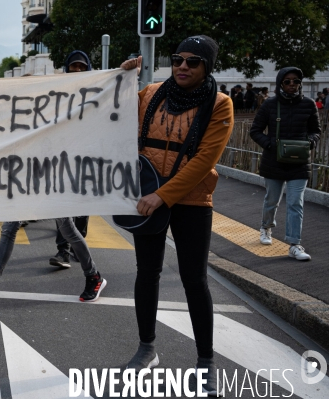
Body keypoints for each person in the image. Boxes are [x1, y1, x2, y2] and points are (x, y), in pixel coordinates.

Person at [120, 35, 233, 396]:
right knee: (147, 272)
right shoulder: (151, 93)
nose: (183, 66)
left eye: (194, 61)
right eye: (178, 58)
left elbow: (205, 160)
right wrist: (118, 81)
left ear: (207, 67)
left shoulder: (221, 104)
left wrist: (163, 196)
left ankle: (205, 362)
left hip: (191, 200)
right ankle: (146, 349)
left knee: (194, 279)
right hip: (145, 192)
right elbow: (111, 116)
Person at [250, 67, 320, 261]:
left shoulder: (309, 104)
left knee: (295, 203)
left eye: (296, 81)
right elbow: (255, 130)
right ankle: (266, 228)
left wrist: (310, 142)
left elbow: (316, 131)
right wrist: (270, 144)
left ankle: (294, 244)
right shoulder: (270, 105)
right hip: (274, 161)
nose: (292, 85)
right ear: (280, 83)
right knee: (272, 200)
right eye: (287, 81)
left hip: (299, 162)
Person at [0, 218, 106, 303]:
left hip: (50, 180)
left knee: (68, 230)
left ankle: (93, 276)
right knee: (9, 229)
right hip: (29, 183)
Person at [49, 50, 92, 268]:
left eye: (81, 67)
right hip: (62, 160)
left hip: (88, 160)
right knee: (63, 206)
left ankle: (78, 245)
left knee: (82, 207)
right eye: (74, 66)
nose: (77, 70)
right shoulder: (59, 91)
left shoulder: (97, 92)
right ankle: (62, 251)